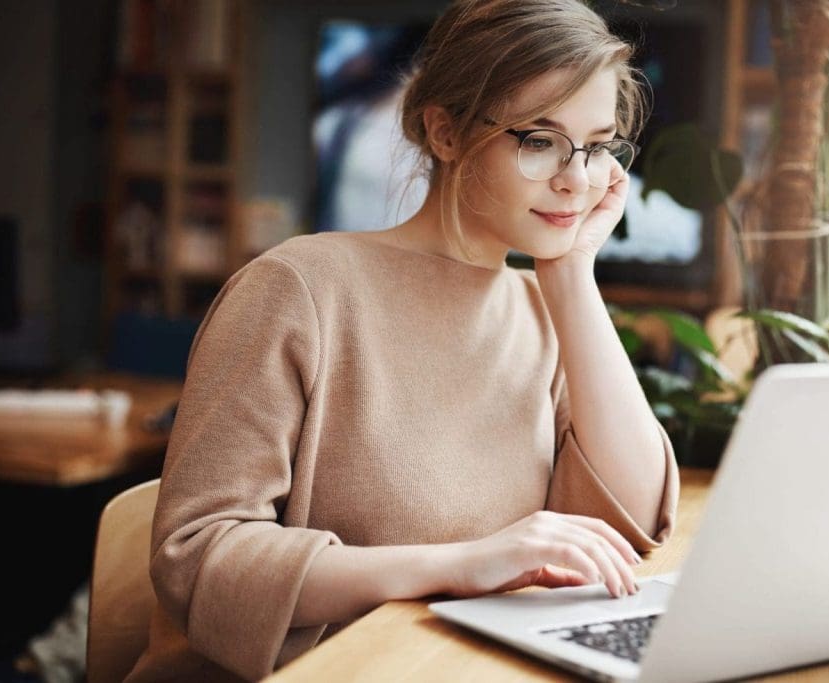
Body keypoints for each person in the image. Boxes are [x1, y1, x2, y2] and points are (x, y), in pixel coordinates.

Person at [124, 1, 680, 681]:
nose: (576, 177)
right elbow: (198, 556)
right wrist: (461, 563)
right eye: (539, 139)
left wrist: (571, 277)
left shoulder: (546, 310)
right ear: (444, 132)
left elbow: (632, 525)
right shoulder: (298, 286)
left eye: (596, 146)